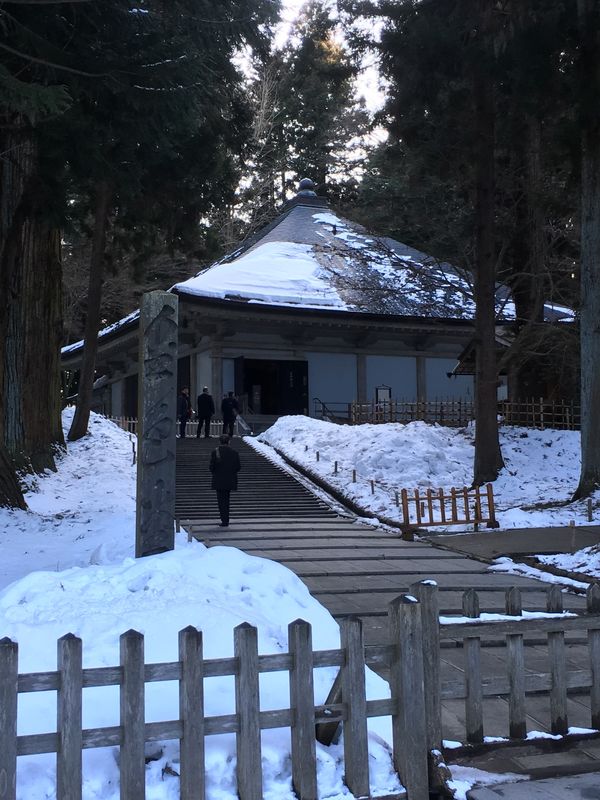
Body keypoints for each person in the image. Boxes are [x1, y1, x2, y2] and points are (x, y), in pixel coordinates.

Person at [209, 434, 241, 527]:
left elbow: (211, 467)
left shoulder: (215, 452)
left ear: (219, 441)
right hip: (230, 480)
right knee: (227, 500)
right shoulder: (234, 453)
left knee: (221, 501)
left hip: (218, 480)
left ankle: (224, 520)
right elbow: (238, 467)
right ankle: (226, 520)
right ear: (229, 442)